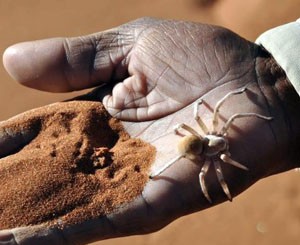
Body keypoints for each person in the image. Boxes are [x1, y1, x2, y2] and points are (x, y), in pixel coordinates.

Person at [1, 17, 300, 245]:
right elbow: (216, 164)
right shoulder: (211, 150)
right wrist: (276, 85)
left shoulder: (209, 138)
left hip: (196, 140)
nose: (223, 143)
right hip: (192, 143)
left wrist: (277, 95)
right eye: (220, 143)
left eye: (220, 143)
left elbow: (218, 123)